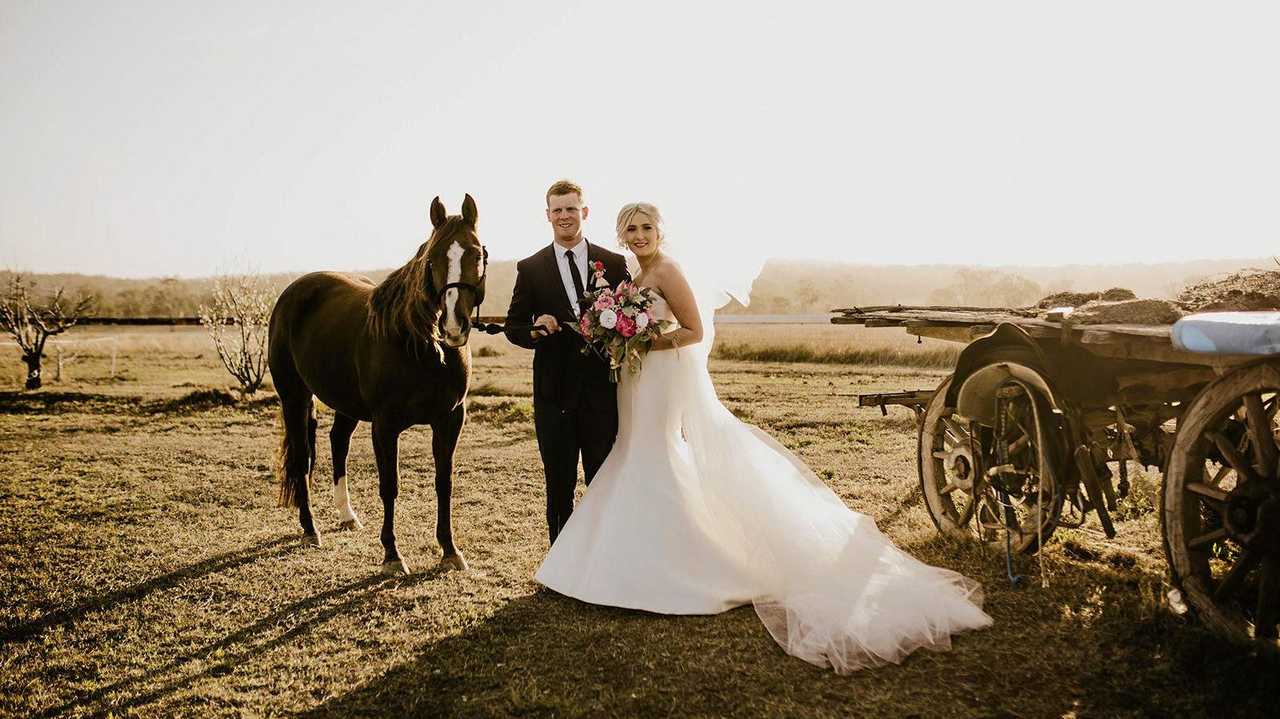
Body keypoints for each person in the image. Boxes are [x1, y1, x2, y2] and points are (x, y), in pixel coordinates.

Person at [535, 202, 993, 673]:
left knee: (654, 453)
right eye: (630, 229)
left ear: (659, 230)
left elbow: (692, 330)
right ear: (621, 233)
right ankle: (617, 565)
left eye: (646, 227)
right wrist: (619, 335)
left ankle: (684, 567)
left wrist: (646, 341)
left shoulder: (668, 270)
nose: (638, 235)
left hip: (661, 377)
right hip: (637, 380)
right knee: (634, 449)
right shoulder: (635, 271)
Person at [505, 180, 630, 544]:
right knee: (558, 483)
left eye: (571, 209)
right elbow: (513, 326)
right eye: (557, 210)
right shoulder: (530, 268)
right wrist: (534, 329)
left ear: (584, 212)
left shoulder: (616, 263)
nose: (564, 216)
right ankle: (561, 564)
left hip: (602, 395)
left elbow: (629, 324)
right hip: (553, 395)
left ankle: (603, 557)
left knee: (603, 479)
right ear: (548, 215)